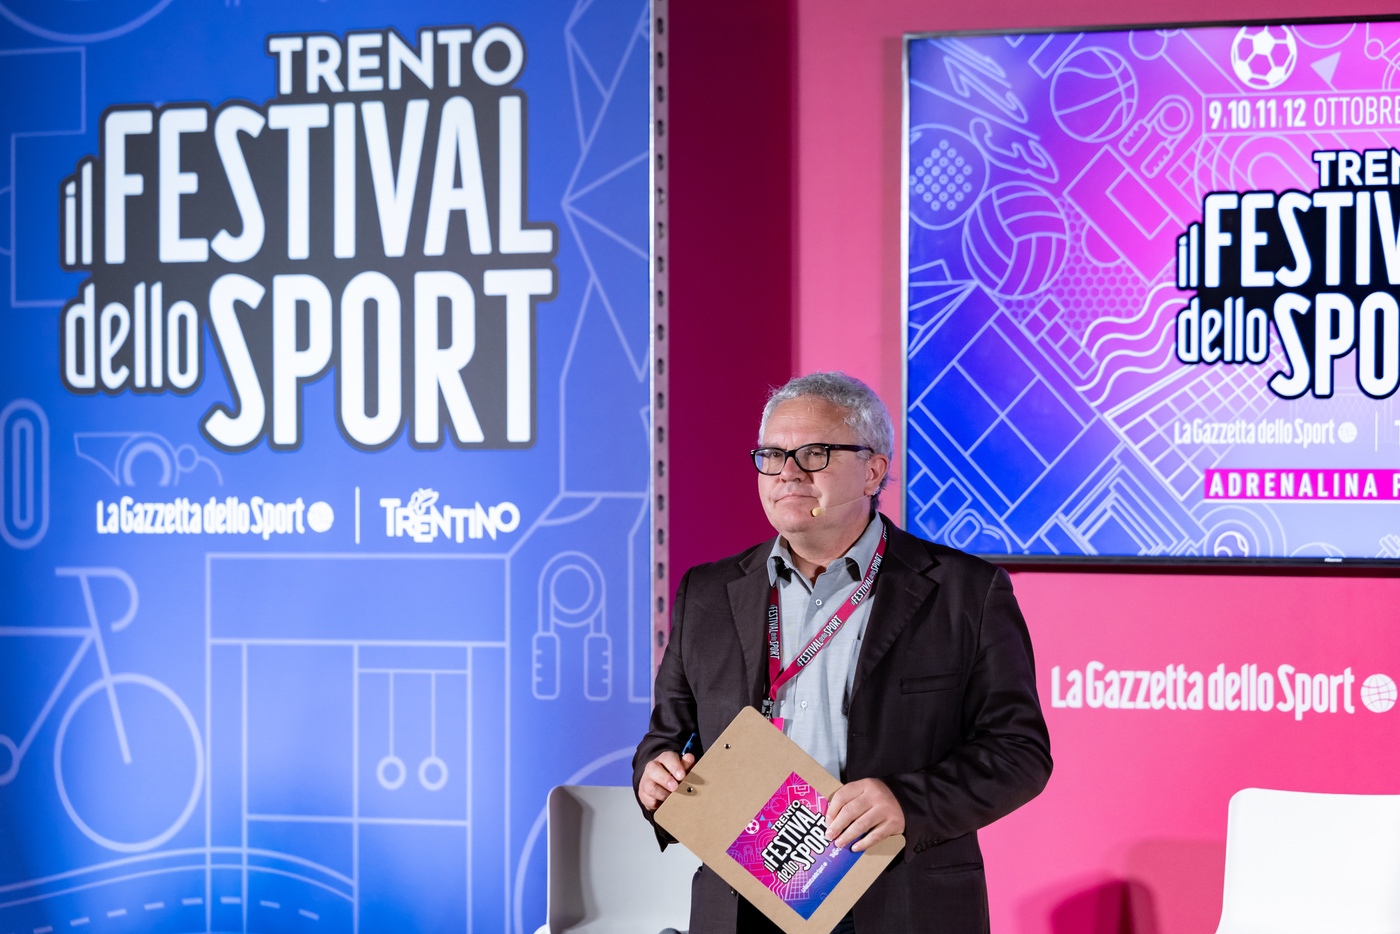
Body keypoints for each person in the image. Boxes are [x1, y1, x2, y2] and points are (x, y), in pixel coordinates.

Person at [633, 372, 1051, 934]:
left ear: (873, 470)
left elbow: (1019, 753)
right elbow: (666, 737)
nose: (787, 473)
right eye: (772, 455)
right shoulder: (706, 593)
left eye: (814, 453)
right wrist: (655, 772)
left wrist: (907, 801)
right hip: (743, 900)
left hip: (895, 898)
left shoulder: (964, 592)